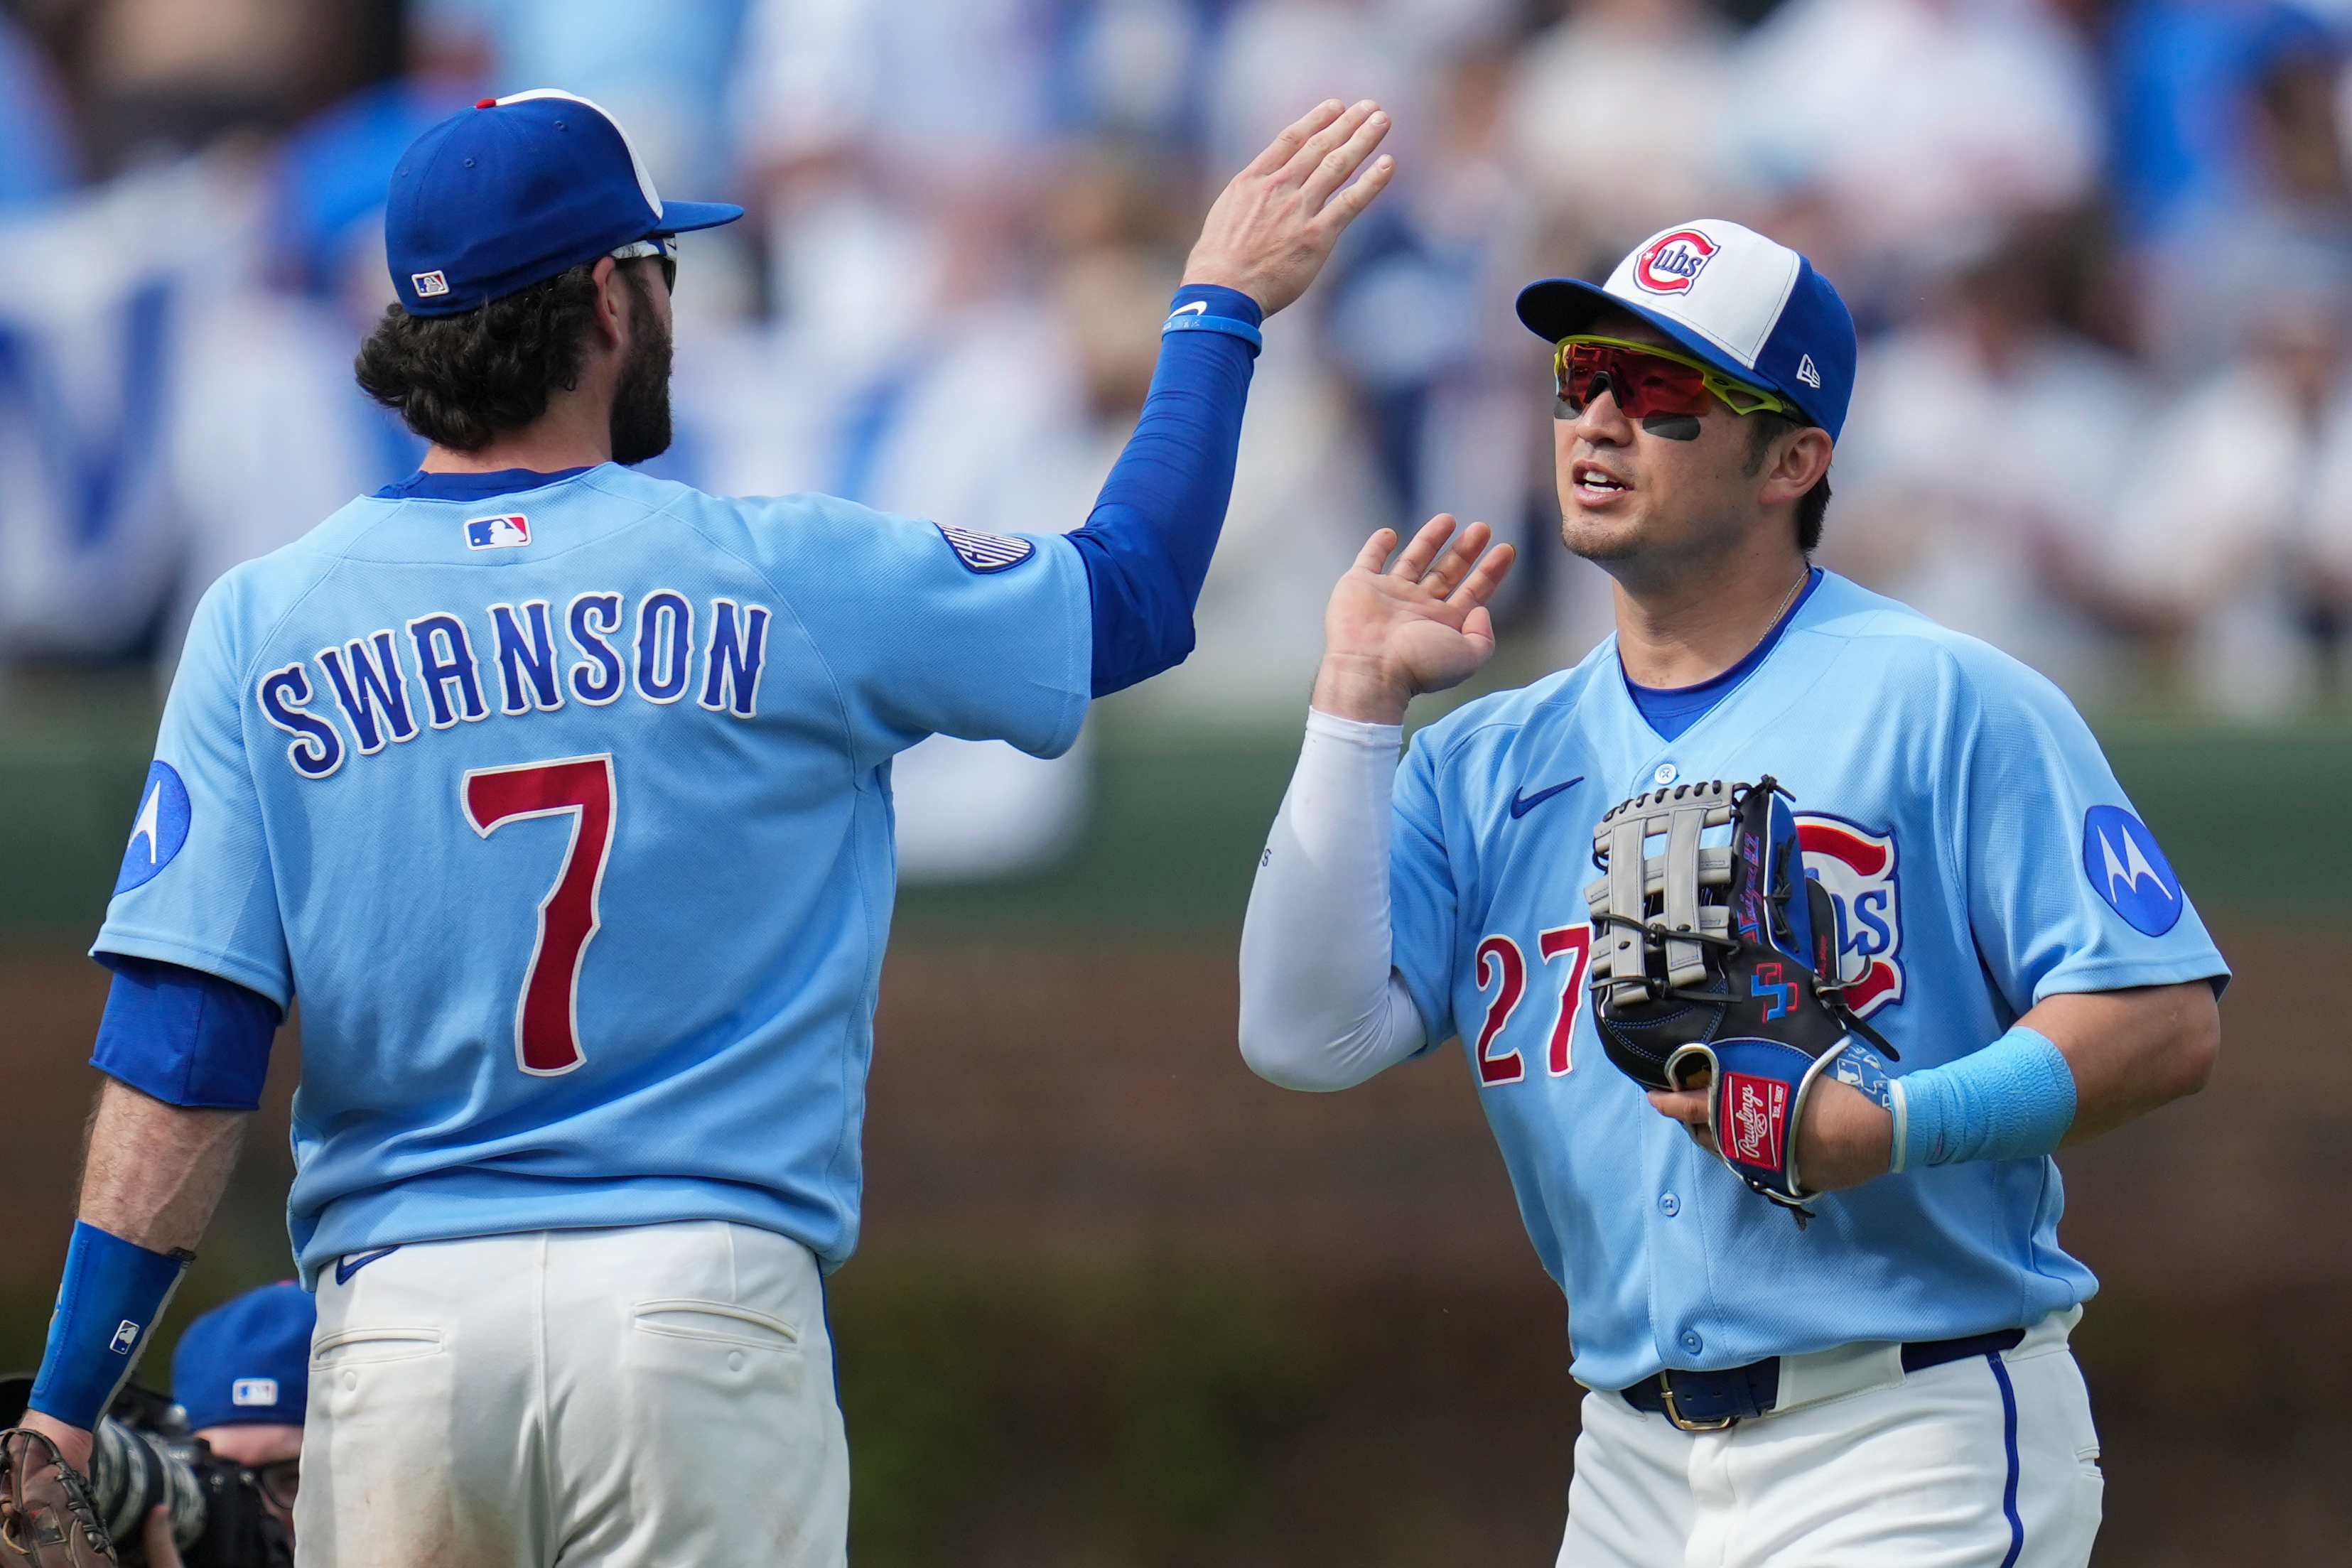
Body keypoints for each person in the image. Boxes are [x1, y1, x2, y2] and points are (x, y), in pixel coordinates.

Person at [0, 89, 1393, 1568]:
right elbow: (1129, 596)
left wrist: (68, 1412)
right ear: (609, 297)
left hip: (400, 1339)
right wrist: (1219, 305)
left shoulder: (260, 623)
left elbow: (182, 1054)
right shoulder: (779, 572)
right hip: (693, 1315)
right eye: (660, 267)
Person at [1236, 218, 2226, 1566]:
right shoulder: (1483, 757)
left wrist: (1891, 1128)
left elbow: (2163, 1019)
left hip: (1905, 1422)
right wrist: (1354, 703)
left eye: (1659, 395)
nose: (1597, 420)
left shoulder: (1942, 695)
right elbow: (1304, 1036)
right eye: (1580, 376)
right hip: (1626, 1462)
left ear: (1793, 459)